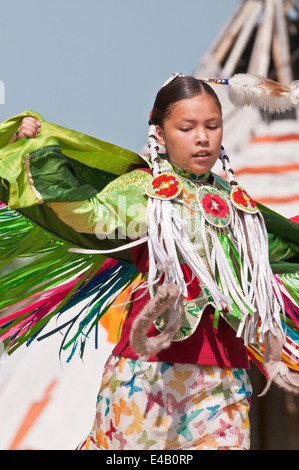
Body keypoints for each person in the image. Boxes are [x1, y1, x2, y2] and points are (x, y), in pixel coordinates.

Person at [3, 74, 299, 450]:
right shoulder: (145, 194)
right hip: (146, 377)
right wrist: (38, 149)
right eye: (187, 127)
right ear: (159, 133)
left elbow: (285, 251)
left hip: (225, 379)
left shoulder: (239, 207)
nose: (202, 137)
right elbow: (87, 214)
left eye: (212, 125)